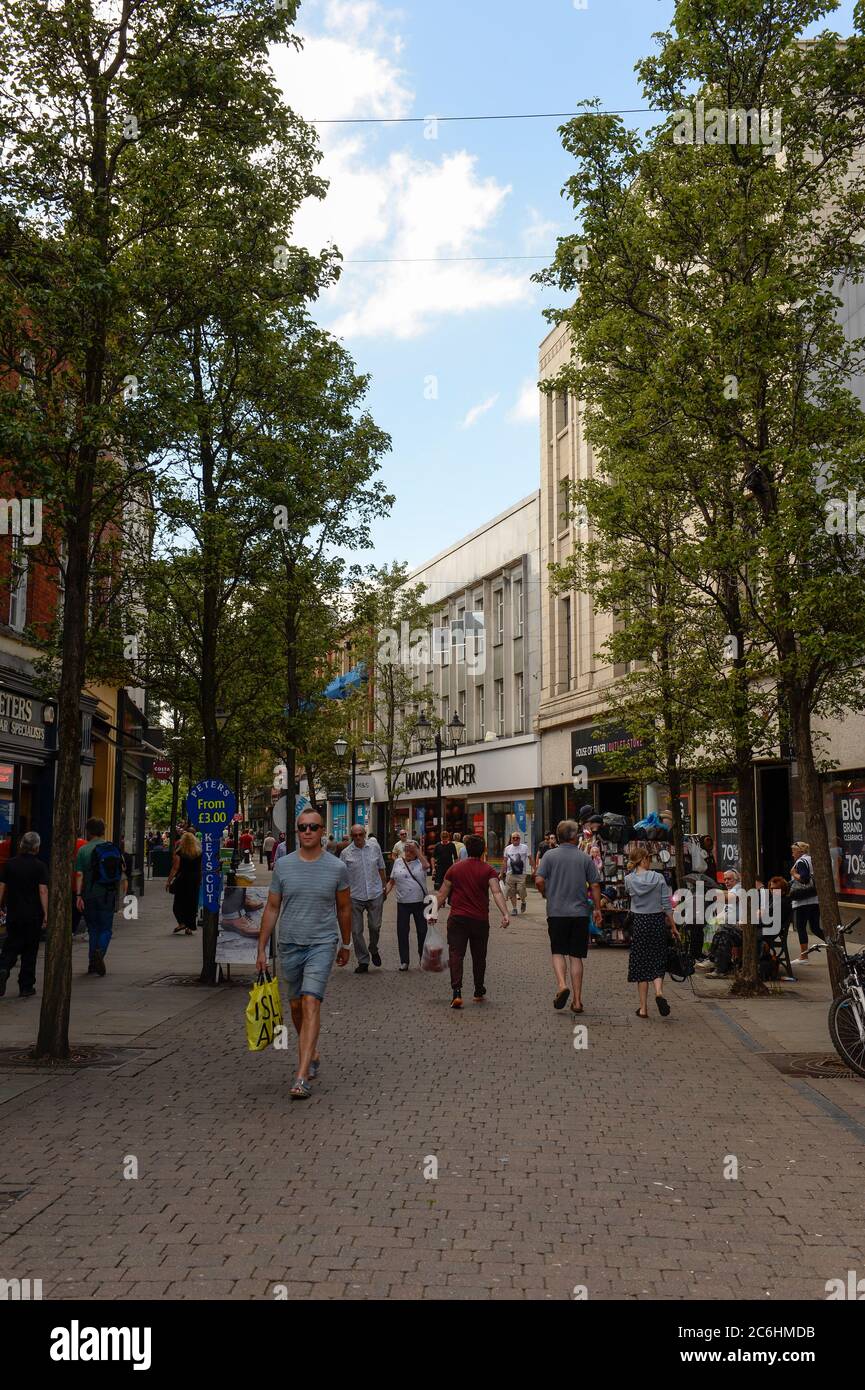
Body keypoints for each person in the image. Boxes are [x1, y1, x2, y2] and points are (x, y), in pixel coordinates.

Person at [256, 810, 352, 1100]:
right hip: (289, 944)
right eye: (302, 827)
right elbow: (272, 908)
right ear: (297, 831)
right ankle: (311, 1051)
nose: (307, 831)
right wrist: (261, 949)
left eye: (312, 827)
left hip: (321, 944)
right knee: (296, 1006)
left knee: (311, 1002)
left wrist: (345, 944)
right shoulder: (283, 866)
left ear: (322, 830)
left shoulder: (337, 868)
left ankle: (301, 1074)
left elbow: (344, 908)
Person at [534, 819, 603, 1015]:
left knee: (558, 951)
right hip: (580, 913)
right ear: (574, 836)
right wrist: (597, 909)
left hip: (556, 912)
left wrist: (545, 893)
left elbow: (538, 879)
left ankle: (562, 985)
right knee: (576, 957)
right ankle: (578, 1001)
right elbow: (595, 885)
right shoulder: (584, 858)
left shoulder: (549, 856)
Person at [435, 834, 509, 1008]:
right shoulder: (488, 870)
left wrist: (432, 912)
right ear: (483, 850)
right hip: (479, 920)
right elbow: (496, 892)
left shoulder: (454, 869)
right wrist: (505, 913)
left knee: (456, 954)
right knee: (479, 956)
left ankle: (457, 992)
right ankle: (478, 990)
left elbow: (442, 894)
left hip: (457, 918)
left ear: (466, 850)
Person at [624, 846, 679, 1018]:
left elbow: (632, 896)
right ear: (643, 860)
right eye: (648, 858)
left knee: (641, 964)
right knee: (657, 959)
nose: (650, 861)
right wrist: (674, 927)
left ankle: (643, 1009)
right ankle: (659, 993)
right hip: (656, 921)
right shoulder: (658, 877)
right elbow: (666, 904)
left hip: (639, 922)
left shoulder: (629, 879)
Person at [74, 818, 127, 976]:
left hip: (89, 894)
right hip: (108, 894)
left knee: (93, 929)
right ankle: (100, 952)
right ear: (103, 830)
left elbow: (79, 874)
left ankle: (92, 963)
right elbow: (122, 871)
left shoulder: (83, 850)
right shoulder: (112, 848)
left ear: (88, 831)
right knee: (106, 929)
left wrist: (78, 895)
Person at [0, 831, 48, 998]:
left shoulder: (10, 864)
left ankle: (3, 968)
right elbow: (43, 891)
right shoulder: (40, 866)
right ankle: (26, 986)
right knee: (30, 949)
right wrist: (46, 912)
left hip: (14, 912)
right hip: (33, 914)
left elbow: (2, 887)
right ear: (36, 847)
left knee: (11, 944)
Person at [340, 823, 387, 973]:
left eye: (361, 834)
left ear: (365, 834)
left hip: (375, 893)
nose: (358, 837)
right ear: (351, 836)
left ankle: (373, 948)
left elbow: (381, 867)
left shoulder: (375, 848)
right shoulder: (346, 853)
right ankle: (363, 960)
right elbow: (342, 877)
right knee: (356, 931)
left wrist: (384, 887)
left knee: (375, 926)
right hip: (354, 896)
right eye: (355, 835)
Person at [384, 839, 431, 970]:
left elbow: (427, 866)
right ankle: (404, 961)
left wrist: (417, 851)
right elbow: (391, 881)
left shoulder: (421, 862)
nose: (408, 852)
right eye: (406, 850)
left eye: (411, 850)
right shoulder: (398, 862)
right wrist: (385, 893)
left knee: (422, 931)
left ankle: (422, 957)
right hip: (403, 902)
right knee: (402, 932)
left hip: (419, 902)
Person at [705, 869, 746, 977]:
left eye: (729, 879)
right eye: (725, 879)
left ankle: (717, 964)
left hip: (743, 928)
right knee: (721, 931)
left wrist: (714, 895)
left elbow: (731, 899)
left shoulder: (739, 888)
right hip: (735, 926)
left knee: (723, 931)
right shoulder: (733, 889)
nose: (726, 881)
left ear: (736, 880)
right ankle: (719, 965)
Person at [789, 841, 825, 962]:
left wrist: (794, 874)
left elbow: (804, 879)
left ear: (801, 851)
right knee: (815, 928)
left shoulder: (801, 862)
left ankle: (804, 956)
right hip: (814, 899)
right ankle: (834, 944)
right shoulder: (811, 859)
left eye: (794, 851)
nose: (792, 854)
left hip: (802, 900)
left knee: (801, 927)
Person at [166, 830, 202, 935]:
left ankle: (181, 923)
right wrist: (200, 879)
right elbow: (201, 868)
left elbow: (175, 868)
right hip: (195, 878)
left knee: (178, 903)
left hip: (183, 879)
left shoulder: (179, 852)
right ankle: (189, 927)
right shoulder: (199, 852)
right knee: (192, 903)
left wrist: (169, 881)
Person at [501, 831, 529, 914]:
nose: (516, 839)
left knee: (521, 889)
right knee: (511, 891)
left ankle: (523, 901)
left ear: (520, 839)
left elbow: (530, 858)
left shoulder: (524, 847)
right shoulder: (507, 848)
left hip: (521, 873)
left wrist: (534, 869)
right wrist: (501, 872)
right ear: (511, 839)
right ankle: (514, 908)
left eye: (517, 838)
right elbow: (505, 861)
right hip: (510, 873)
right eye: (514, 838)